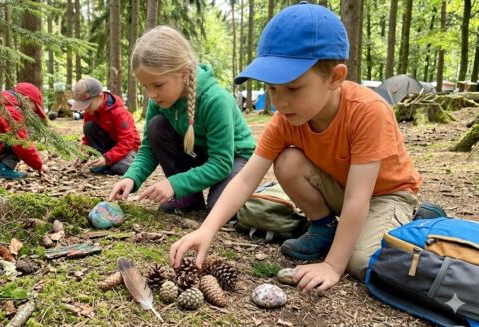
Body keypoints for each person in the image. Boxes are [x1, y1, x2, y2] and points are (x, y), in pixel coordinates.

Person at [169, 2, 422, 292]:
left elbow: (358, 198)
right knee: (287, 161)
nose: (279, 102)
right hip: (341, 187)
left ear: (335, 78)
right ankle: (324, 226)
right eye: (272, 88)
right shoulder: (286, 120)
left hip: (386, 194)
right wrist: (207, 229)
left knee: (360, 260)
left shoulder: (368, 111)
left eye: (292, 88)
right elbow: (246, 179)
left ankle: (417, 217)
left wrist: (333, 265)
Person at [108, 26, 256, 214]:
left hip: (234, 158)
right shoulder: (160, 101)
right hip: (198, 154)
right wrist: (131, 178)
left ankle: (250, 191)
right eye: (145, 87)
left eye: (158, 85)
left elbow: (221, 162)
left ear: (184, 73)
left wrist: (174, 183)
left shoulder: (216, 100)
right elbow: (148, 149)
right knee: (156, 126)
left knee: (220, 208)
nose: (152, 94)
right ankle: (189, 199)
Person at [72, 77, 140, 175]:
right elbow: (87, 139)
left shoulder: (118, 112)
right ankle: (107, 163)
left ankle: (121, 163)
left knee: (119, 168)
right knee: (89, 127)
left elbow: (127, 142)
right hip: (109, 147)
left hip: (129, 149)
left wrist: (107, 158)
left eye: (88, 105)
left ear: (100, 96)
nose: (85, 110)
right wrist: (83, 154)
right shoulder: (90, 112)